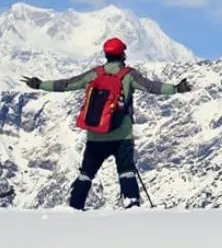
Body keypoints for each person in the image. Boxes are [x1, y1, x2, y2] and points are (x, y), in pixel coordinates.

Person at [21, 37, 192, 210]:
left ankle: (74, 207)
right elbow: (151, 87)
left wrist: (40, 84)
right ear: (122, 54)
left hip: (96, 134)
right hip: (122, 134)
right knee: (126, 171)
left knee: (86, 173)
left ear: (106, 54)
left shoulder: (94, 74)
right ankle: (132, 204)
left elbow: (66, 84)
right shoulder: (128, 75)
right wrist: (176, 88)